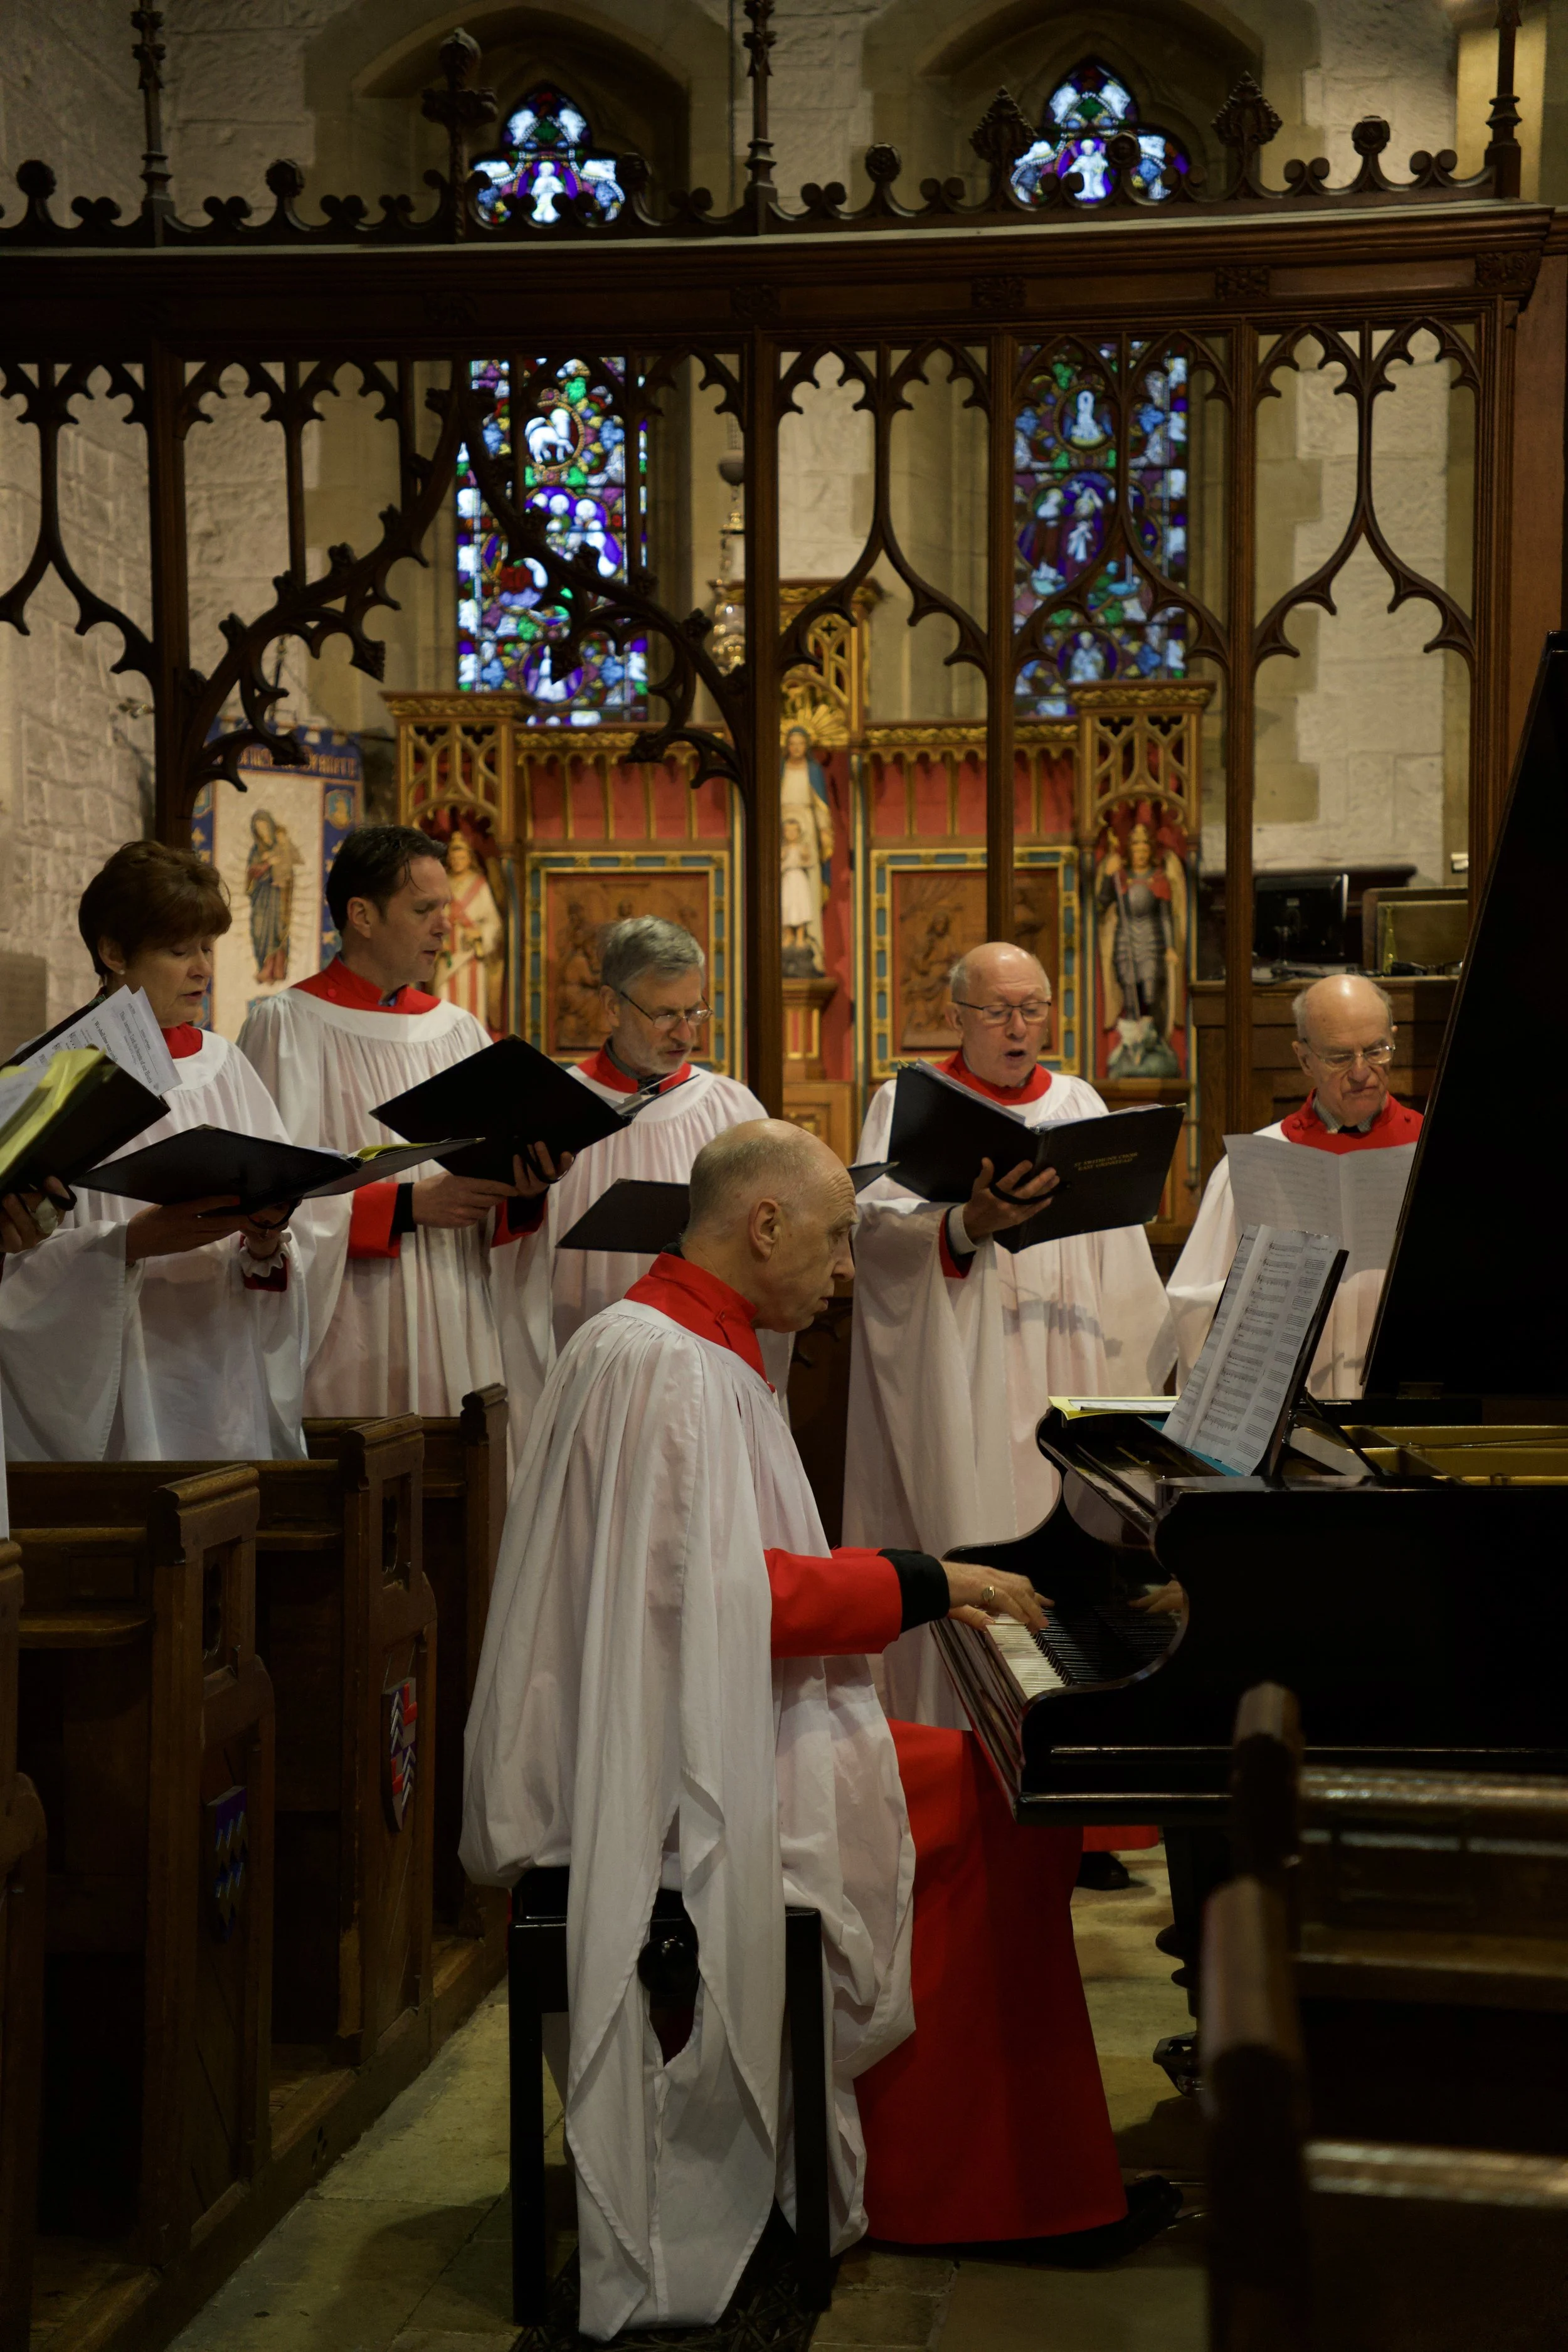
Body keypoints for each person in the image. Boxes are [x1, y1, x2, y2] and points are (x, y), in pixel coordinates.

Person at [463, 1122, 1167, 2343]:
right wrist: (926, 1583)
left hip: (678, 1728)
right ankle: (976, 2190)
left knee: (975, 1777)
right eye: (836, 1238)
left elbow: (727, 1572)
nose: (847, 1271)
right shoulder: (674, 1370)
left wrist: (914, 1575)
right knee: (998, 1796)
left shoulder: (664, 1341)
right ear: (765, 1224)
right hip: (669, 1778)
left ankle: (958, 2165)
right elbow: (725, 1599)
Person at [844, 940, 1173, 1738]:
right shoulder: (909, 1103)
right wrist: (963, 1225)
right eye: (996, 1011)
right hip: (959, 1377)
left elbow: (1122, 1254)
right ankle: (960, 1754)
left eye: (1032, 1008)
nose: (1017, 1027)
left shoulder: (1077, 1102)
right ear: (956, 1016)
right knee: (970, 1541)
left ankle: (1072, 1780)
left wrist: (1130, 1386)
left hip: (1065, 1361)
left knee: (1073, 1567)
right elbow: (873, 1233)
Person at [0, 841, 309, 1461]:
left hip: (222, 1378)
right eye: (179, 951)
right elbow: (14, 1273)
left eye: (206, 948)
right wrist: (128, 1245)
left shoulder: (226, 1068)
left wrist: (267, 1238)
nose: (203, 969)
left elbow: (272, 1245)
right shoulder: (43, 1078)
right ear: (113, 953)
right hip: (114, 1389)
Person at [238, 825, 558, 1419]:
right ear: (361, 914)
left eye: (444, 908)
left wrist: (526, 1185)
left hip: (455, 1304)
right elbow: (264, 1196)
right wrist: (406, 1207)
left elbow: (492, 1189)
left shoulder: (459, 1031)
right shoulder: (287, 1027)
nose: (447, 925)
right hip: (349, 1320)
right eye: (424, 910)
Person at [491, 915, 778, 1457]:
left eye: (694, 1010)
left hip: (702, 1385)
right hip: (584, 1381)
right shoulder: (553, 1108)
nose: (686, 1032)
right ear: (611, 1005)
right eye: (665, 1013)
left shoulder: (733, 1111)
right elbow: (511, 1264)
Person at [1162, 972, 1422, 1399]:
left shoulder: (1429, 1156)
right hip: (1291, 1407)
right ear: (1304, 1060)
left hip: (1404, 1398)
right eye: (1339, 1057)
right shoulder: (1255, 1165)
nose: (1362, 1073)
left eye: (1376, 1050)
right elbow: (1200, 1309)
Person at [432, 832, 504, 1027]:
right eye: (453, 858)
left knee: (471, 1009)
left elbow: (494, 922)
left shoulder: (479, 885)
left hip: (471, 956)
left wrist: (480, 933)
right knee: (444, 1006)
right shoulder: (441, 883)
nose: (457, 862)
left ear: (469, 858)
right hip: (447, 955)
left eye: (462, 858)